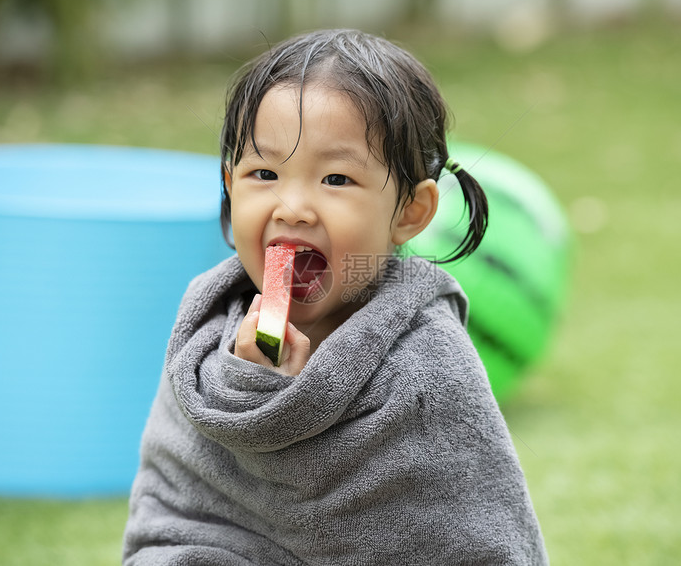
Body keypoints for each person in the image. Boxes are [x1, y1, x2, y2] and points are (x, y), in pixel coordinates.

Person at [123, 29, 548, 565]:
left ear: (410, 212)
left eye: (336, 178)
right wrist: (250, 385)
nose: (293, 207)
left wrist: (293, 396)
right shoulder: (206, 330)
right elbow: (170, 519)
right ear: (231, 185)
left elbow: (483, 542)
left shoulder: (428, 368)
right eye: (265, 173)